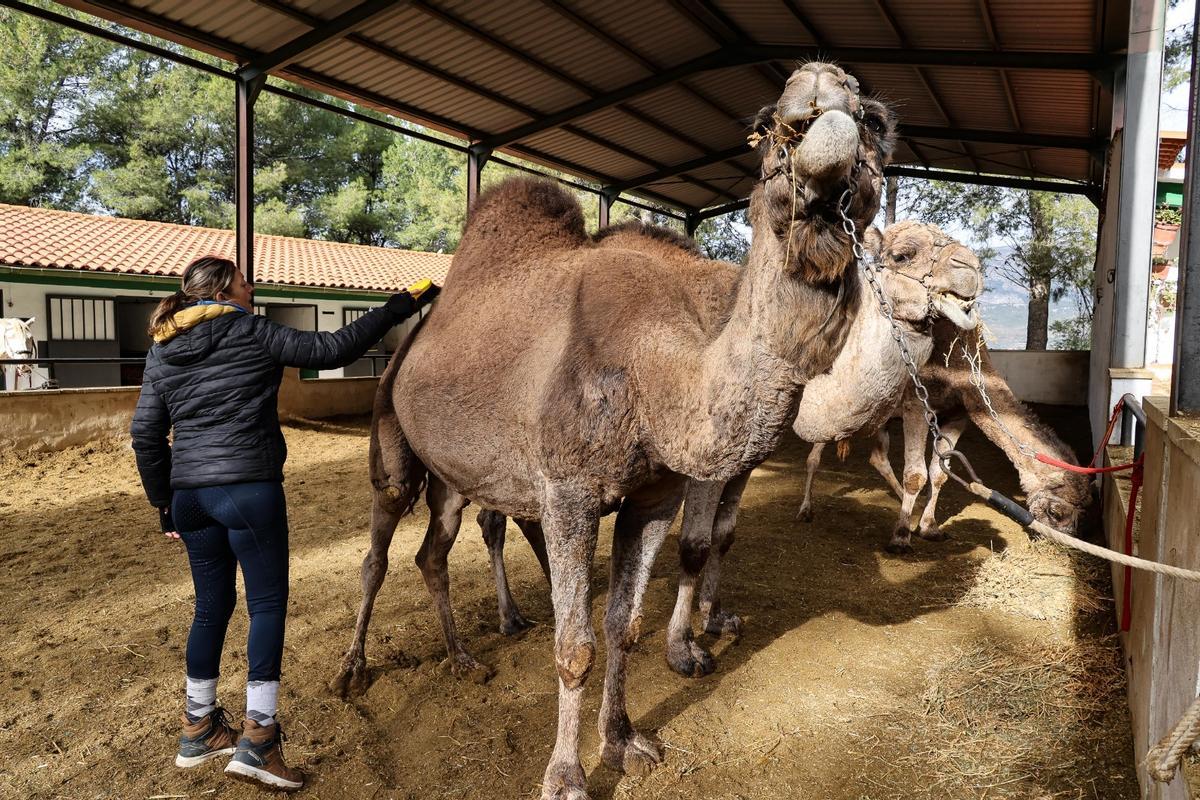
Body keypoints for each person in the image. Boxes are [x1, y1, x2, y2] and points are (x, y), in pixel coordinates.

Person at [130, 255, 438, 791]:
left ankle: (198, 727)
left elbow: (145, 435)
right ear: (223, 293)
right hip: (248, 490)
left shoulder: (163, 347)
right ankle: (259, 739)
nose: (252, 289)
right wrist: (400, 306)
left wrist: (164, 504)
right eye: (244, 282)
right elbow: (333, 349)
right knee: (267, 605)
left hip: (189, 497)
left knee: (210, 608)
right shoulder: (250, 330)